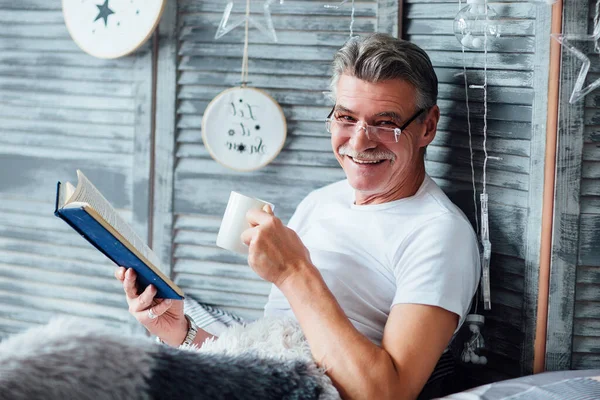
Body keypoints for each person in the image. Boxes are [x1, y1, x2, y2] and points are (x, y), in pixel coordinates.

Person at [115, 33, 480, 400]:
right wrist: (182, 331)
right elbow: (271, 353)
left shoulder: (439, 234)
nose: (358, 142)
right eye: (346, 118)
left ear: (428, 127)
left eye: (386, 123)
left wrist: (293, 272)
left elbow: (386, 393)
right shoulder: (319, 203)